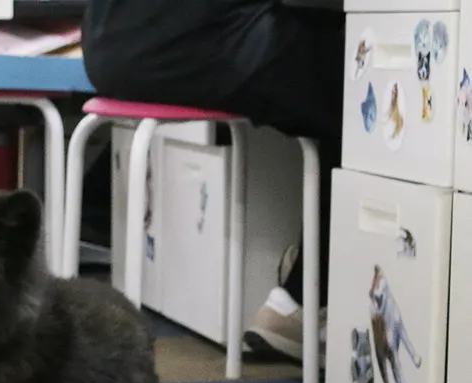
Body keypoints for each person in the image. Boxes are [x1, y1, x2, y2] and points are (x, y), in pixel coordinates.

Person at [81, 0, 344, 362]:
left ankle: (298, 297)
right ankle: (309, 298)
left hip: (110, 47)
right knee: (362, 72)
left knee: (338, 48)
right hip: (201, 44)